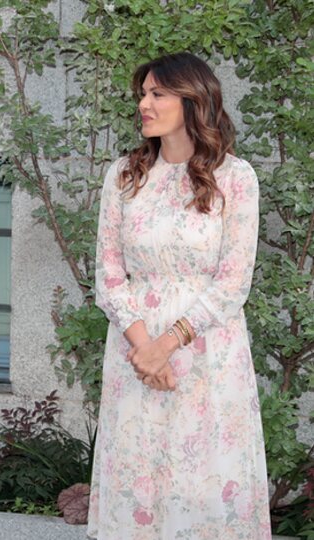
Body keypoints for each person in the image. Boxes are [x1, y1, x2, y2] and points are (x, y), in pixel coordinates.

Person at [87, 52, 270, 538]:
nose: (144, 104)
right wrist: (142, 346)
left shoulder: (235, 178)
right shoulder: (124, 176)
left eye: (157, 94)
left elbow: (234, 282)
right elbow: (108, 275)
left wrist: (164, 346)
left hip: (205, 352)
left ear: (193, 101)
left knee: (203, 485)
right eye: (142, 94)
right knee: (140, 479)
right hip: (134, 352)